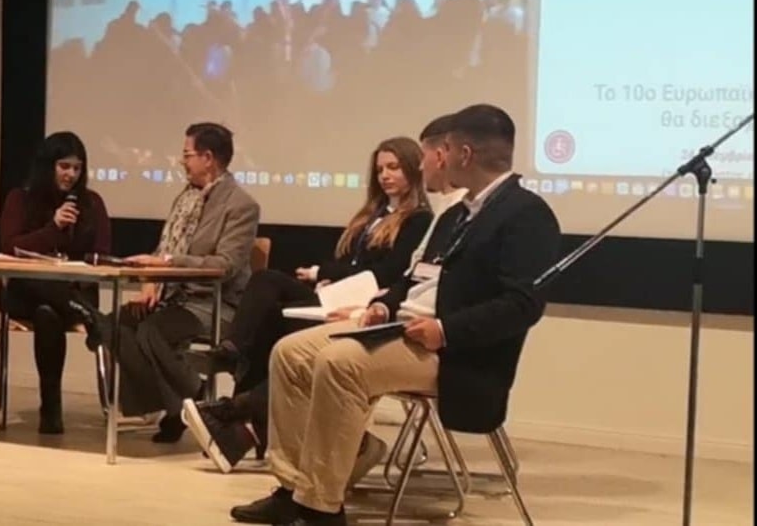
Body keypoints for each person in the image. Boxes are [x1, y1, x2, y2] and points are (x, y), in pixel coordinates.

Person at [228, 104, 561, 526]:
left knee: (339, 363)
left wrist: (444, 330)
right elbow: (413, 277)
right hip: (399, 326)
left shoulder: (526, 215)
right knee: (290, 353)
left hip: (452, 351)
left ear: (464, 154)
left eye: (443, 149)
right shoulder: (458, 214)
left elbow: (522, 305)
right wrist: (383, 305)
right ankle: (293, 488)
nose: (433, 161)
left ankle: (319, 506)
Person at [182, 135, 433, 471]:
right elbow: (347, 262)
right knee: (267, 287)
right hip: (338, 293)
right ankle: (232, 359)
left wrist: (323, 273)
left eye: (394, 168)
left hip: (366, 303)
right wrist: (329, 276)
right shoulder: (372, 215)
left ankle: (236, 414)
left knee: (282, 327)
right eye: (380, 170)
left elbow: (387, 272)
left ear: (413, 170)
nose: (385, 175)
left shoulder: (418, 220)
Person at [92, 122, 258, 443]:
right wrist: (150, 282)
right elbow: (164, 249)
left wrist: (167, 264)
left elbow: (226, 265)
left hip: (215, 302)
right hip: (173, 296)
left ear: (208, 158)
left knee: (152, 330)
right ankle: (186, 401)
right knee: (114, 325)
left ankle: (191, 400)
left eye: (187, 154)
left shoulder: (240, 205)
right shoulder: (186, 199)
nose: (182, 161)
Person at [0, 131, 112, 434]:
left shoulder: (92, 203)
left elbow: (101, 253)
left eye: (77, 168)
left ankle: (51, 407)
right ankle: (90, 317)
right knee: (40, 283)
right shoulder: (20, 199)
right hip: (23, 292)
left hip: (74, 290)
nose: (71, 174)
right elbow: (9, 247)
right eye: (64, 166)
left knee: (47, 313)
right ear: (48, 166)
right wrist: (53, 228)